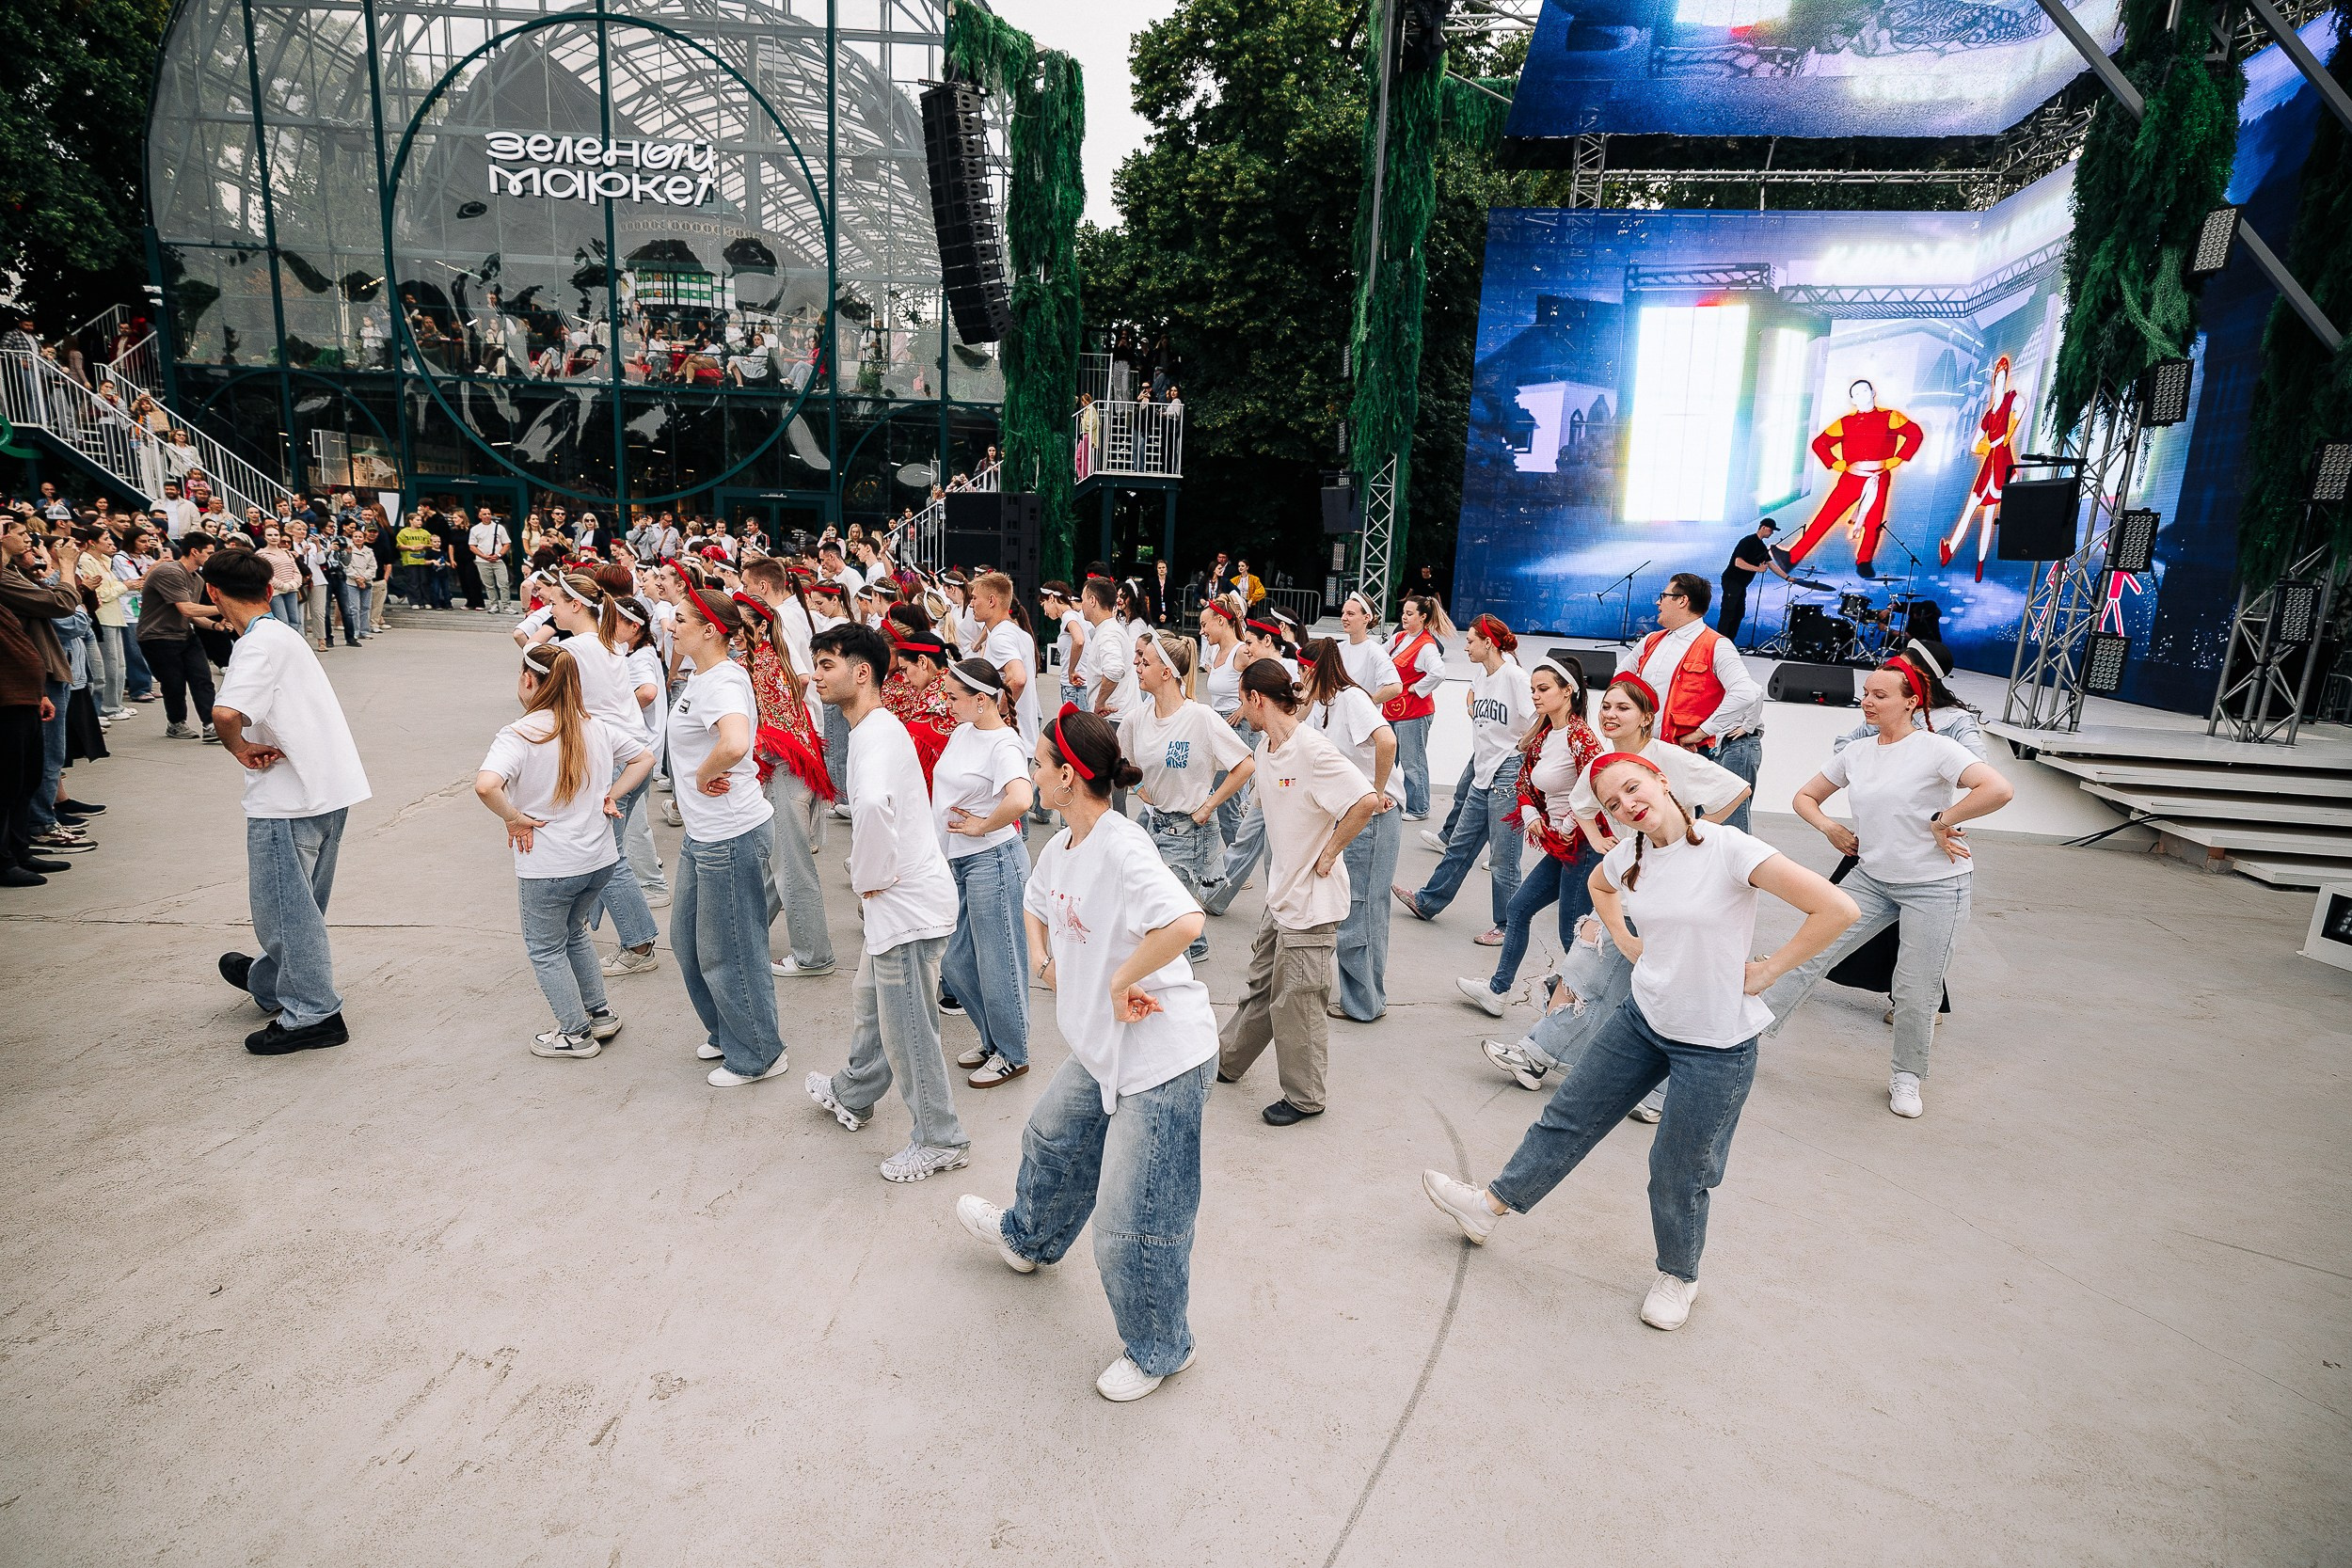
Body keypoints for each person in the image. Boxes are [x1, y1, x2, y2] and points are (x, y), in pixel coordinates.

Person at [1422, 752, 1858, 1331]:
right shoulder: (1628, 854)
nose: (1627, 805)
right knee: (1567, 1117)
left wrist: (1770, 970)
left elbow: (1837, 907)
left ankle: (1679, 1275)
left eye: (1632, 788)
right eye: (1612, 803)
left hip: (1715, 1042)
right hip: (1644, 1018)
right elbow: (1602, 889)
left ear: (1660, 779)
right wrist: (1628, 944)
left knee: (1679, 1166)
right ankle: (1490, 1207)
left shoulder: (1731, 850)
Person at [954, 706, 1216, 1403]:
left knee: (1132, 1226)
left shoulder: (1123, 848)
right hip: (1103, 1049)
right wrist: (1044, 961)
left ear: (1069, 775)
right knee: (1049, 1135)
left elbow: (1186, 920)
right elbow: (1038, 905)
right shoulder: (1060, 845)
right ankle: (1029, 1239)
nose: (1032, 773)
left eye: (1039, 763)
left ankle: (1164, 1347)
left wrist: (1122, 977)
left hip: (1164, 1060)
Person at [1762, 658, 2013, 1117]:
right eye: (1866, 693)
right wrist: (1830, 829)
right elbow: (1804, 797)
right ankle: (1743, 1036)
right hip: (1872, 878)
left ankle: (1907, 1075)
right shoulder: (1857, 752)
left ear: (1911, 702)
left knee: (1917, 989)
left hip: (1936, 886)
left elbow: (1997, 789)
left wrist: (1946, 819)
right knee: (1806, 954)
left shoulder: (1937, 749)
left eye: (1881, 695)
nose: (1868, 702)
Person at [803, 622, 971, 1181]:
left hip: (907, 910)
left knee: (910, 1034)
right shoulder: (878, 725)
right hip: (904, 904)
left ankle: (940, 1138)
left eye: (826, 665)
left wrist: (867, 878)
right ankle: (853, 1094)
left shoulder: (874, 734)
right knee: (871, 1010)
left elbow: (874, 805)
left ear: (862, 672)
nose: (816, 675)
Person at [203, 547, 373, 1055]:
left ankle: (314, 1012)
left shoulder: (254, 646)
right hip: (327, 786)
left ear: (213, 592)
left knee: (283, 911)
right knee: (302, 905)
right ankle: (271, 980)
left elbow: (226, 712)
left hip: (288, 796)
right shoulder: (283, 633)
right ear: (270, 590)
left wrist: (239, 747)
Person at [1216, 658, 1381, 1125]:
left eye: (1242, 700)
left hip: (1310, 904)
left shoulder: (1313, 750)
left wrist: (1327, 855)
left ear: (1256, 699)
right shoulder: (1270, 748)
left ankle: (1306, 1097)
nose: (1241, 711)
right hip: (1280, 897)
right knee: (1262, 989)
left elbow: (1366, 800)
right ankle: (1228, 1062)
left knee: (1299, 1002)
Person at [473, 641, 656, 1057]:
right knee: (573, 933)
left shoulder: (519, 733)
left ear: (528, 680)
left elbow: (486, 785)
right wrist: (613, 793)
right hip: (599, 859)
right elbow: (644, 758)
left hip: (550, 865)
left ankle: (574, 1034)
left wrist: (513, 817)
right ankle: (600, 1013)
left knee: (545, 947)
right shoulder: (594, 725)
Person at [663, 582, 789, 1086]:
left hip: (730, 835)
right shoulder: (707, 675)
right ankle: (730, 1030)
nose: (671, 626)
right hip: (706, 835)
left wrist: (698, 774)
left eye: (681, 619)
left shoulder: (722, 682)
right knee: (688, 941)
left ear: (711, 631)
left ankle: (758, 1052)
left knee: (729, 948)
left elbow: (736, 742)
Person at [1458, 653, 1602, 1018]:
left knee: (1572, 936)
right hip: (1560, 847)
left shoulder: (1582, 737)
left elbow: (1597, 789)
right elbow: (1525, 780)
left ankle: (1585, 1011)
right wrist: (1531, 813)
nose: (1535, 695)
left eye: (1543, 689)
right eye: (1533, 689)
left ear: (1567, 691)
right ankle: (1498, 992)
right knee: (1518, 909)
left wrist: (1566, 826)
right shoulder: (1543, 736)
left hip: (1583, 848)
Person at [543, 577, 664, 977]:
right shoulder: (613, 645)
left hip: (616, 759)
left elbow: (529, 668)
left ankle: (639, 943)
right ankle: (589, 925)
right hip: (631, 754)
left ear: (576, 605)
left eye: (556, 603)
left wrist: (540, 627)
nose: (551, 609)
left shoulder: (573, 648)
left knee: (610, 859)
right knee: (605, 852)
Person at [1394, 613, 1533, 944]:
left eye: (1471, 640)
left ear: (1489, 642)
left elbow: (1538, 717)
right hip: (1483, 772)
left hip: (1508, 770)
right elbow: (1472, 695)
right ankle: (1427, 902)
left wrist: (1519, 751)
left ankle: (1507, 925)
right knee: (1459, 845)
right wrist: (1473, 709)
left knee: (1503, 857)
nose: (1466, 646)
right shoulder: (1482, 677)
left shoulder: (1514, 676)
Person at [933, 657, 1036, 1087]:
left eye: (954, 697)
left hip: (993, 861)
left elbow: (1022, 798)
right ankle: (993, 1039)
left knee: (1000, 965)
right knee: (957, 963)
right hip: (960, 862)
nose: (946, 702)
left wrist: (980, 824)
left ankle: (1012, 1053)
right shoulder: (964, 731)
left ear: (981, 700)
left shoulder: (1004, 744)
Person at [1121, 631, 1254, 962]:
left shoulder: (1200, 718)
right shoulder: (1136, 719)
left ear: (1167, 672)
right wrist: (1139, 789)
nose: (1137, 666)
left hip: (1190, 831)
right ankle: (1194, 944)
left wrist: (1209, 805)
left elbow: (1245, 764)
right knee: (1162, 906)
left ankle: (1182, 965)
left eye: (1145, 662)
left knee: (1167, 916)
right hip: (1152, 824)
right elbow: (1122, 765)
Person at [731, 588, 835, 980]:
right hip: (788, 772)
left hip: (785, 772)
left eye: (742, 627)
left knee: (792, 867)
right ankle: (746, 931)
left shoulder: (762, 665)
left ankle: (814, 955)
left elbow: (772, 732)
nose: (735, 633)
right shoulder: (761, 660)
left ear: (760, 625)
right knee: (777, 864)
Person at [1296, 638, 1399, 1021]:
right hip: (1350, 812)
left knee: (1363, 909)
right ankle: (1361, 998)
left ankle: (1365, 1003)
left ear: (1313, 669)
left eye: (1304, 669)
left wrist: (1377, 790)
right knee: (1352, 907)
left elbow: (1386, 740)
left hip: (1371, 814)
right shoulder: (1322, 703)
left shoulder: (1352, 699)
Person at [1621, 572, 1765, 833]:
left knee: (1708, 831)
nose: (1658, 603)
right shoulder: (1651, 641)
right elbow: (1621, 682)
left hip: (1693, 754)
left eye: (1663, 596)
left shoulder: (1716, 645)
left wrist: (1703, 730)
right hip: (1652, 751)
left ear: (1682, 601)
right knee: (1661, 829)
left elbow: (1746, 692)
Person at [135, 531, 225, 741]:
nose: (212, 557)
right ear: (195, 551)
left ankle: (210, 725)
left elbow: (193, 615)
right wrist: (223, 607)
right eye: (209, 553)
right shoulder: (170, 572)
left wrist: (215, 625)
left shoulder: (197, 579)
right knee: (174, 683)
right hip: (156, 637)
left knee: (202, 679)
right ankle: (176, 723)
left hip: (184, 634)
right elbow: (186, 609)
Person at [1383, 594, 1448, 820]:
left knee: (1413, 763)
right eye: (1404, 613)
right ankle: (1390, 799)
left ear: (1423, 618)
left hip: (1414, 712)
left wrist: (1416, 689)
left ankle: (1418, 808)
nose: (1405, 617)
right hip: (1393, 710)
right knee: (1388, 759)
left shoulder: (1427, 646)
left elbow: (1439, 672)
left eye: (1410, 614)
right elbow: (1378, 657)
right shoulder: (1400, 638)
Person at [1716, 518, 1788, 645]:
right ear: (1763, 527)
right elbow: (1738, 562)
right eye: (1771, 530)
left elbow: (1772, 565)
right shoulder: (1747, 541)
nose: (1771, 533)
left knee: (1739, 614)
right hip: (1732, 580)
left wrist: (1787, 578)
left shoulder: (1761, 547)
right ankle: (1719, 645)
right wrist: (1758, 569)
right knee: (1728, 612)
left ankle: (1729, 643)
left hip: (1741, 584)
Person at [1076, 577, 1136, 723]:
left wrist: (1099, 702)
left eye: (1082, 599)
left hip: (1113, 719)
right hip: (1116, 717)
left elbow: (1114, 670)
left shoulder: (1108, 633)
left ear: (1092, 600)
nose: (1081, 604)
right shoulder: (1109, 630)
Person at [1334, 591, 1403, 705]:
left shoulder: (1374, 651)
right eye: (1343, 613)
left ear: (1366, 618)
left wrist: (1367, 703)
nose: (1344, 618)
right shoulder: (1338, 648)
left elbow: (1395, 687)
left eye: (1350, 614)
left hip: (1362, 721)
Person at [470, 507, 514, 613]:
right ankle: (494, 605)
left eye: (488, 513)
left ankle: (506, 605)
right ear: (479, 516)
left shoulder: (499, 528)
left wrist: (499, 555)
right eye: (484, 514)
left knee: (504, 583)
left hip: (498, 560)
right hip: (482, 561)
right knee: (489, 585)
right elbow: (472, 546)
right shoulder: (475, 529)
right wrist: (483, 556)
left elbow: (507, 543)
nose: (487, 516)